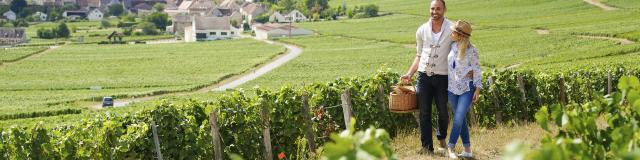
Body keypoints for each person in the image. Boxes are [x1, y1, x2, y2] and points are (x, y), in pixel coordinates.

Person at [400, 0, 453, 153]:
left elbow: (461, 49)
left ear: (444, 10)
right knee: (424, 112)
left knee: (443, 111)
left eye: (438, 8)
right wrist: (410, 73)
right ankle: (427, 147)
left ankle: (441, 136)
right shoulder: (421, 30)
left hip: (443, 77)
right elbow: (419, 55)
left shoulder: (452, 28)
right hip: (424, 76)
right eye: (432, 8)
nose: (434, 11)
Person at [446, 20, 482, 159]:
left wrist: (477, 90)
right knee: (461, 119)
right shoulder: (453, 46)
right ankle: (467, 150)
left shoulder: (472, 51)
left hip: (467, 88)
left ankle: (451, 147)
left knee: (459, 117)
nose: (451, 33)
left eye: (453, 31)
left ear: (460, 35)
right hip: (452, 88)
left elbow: (477, 71)